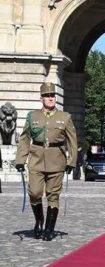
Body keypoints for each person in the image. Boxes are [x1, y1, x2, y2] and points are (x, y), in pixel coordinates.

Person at [15, 82, 77, 241]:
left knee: (53, 195)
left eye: (52, 95)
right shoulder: (32, 116)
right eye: (47, 95)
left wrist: (71, 161)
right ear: (41, 98)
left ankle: (49, 229)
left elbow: (72, 141)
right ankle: (39, 220)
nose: (51, 98)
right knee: (34, 193)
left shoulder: (65, 117)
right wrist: (21, 159)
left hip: (57, 161)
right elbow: (24, 139)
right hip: (36, 160)